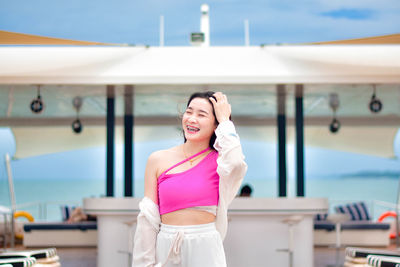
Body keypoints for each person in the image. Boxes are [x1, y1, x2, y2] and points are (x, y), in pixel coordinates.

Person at [132, 91, 247, 267]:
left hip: (206, 248)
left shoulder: (220, 161)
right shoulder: (157, 159)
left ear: (216, 125)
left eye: (201, 115)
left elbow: (236, 163)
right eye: (189, 111)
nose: (192, 119)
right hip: (167, 246)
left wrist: (225, 121)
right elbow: (148, 218)